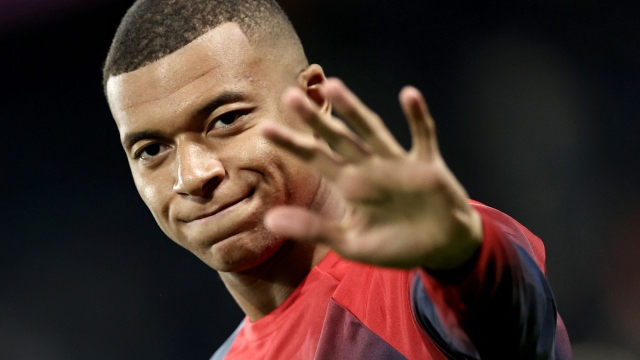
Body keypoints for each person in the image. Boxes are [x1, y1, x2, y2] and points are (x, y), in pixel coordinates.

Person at [103, 0, 572, 358]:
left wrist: (465, 258)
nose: (193, 175)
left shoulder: (424, 268)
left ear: (311, 101)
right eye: (151, 150)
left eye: (225, 120)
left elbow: (515, 330)